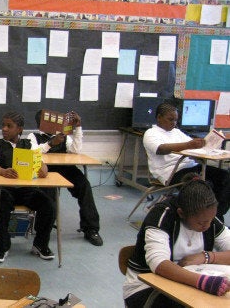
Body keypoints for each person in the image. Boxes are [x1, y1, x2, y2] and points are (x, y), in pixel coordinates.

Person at [123, 174, 230, 307]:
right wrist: (203, 282)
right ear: (181, 213)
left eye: (210, 220)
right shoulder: (162, 215)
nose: (207, 226)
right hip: (147, 287)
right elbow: (159, 264)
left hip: (189, 283)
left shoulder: (208, 217)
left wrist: (207, 256)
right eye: (201, 223)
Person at [0, 111, 56, 263]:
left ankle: (40, 244)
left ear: (19, 129)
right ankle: (2, 247)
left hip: (26, 190)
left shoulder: (28, 145)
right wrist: (3, 171)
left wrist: (42, 170)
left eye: (9, 126)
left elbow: (42, 165)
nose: (4, 129)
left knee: (49, 205)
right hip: (3, 190)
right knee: (2, 204)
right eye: (3, 125)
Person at [143, 102, 230, 221]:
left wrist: (203, 144)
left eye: (176, 120)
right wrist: (189, 144)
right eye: (170, 119)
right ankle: (207, 218)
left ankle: (216, 215)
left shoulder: (177, 132)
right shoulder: (151, 133)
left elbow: (192, 146)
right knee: (200, 186)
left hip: (191, 166)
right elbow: (160, 149)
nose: (174, 123)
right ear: (159, 117)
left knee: (225, 177)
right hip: (172, 171)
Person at [28, 110, 103, 246]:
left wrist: (78, 128)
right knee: (49, 192)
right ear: (40, 124)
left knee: (84, 185)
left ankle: (91, 229)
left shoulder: (63, 136)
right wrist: (50, 143)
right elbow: (33, 152)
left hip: (65, 168)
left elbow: (75, 150)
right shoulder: (33, 136)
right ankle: (44, 229)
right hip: (46, 170)